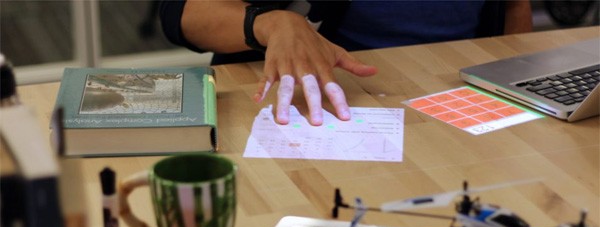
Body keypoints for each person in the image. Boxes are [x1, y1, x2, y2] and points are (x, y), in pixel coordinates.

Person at [160, 1, 532, 126]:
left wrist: (523, 83)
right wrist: (271, 23)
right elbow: (181, 12)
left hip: (461, 99)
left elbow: (514, 7)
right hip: (341, 104)